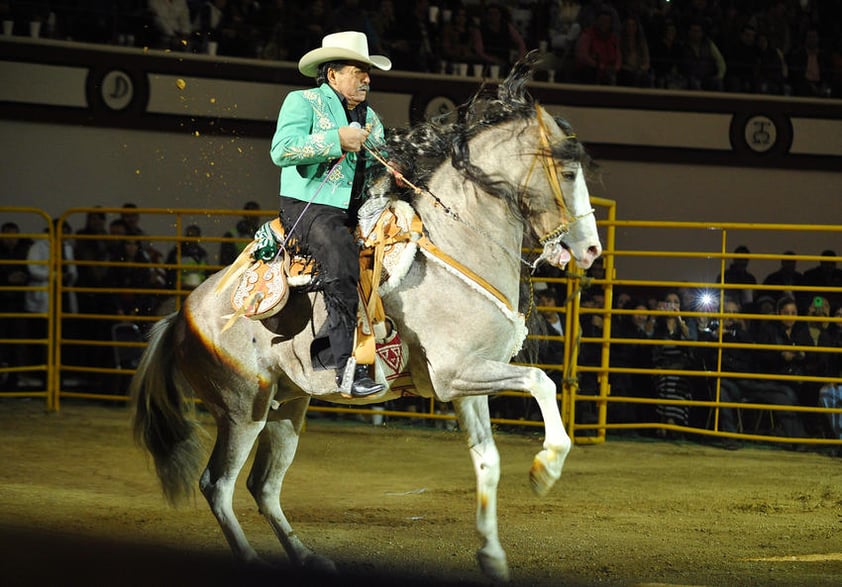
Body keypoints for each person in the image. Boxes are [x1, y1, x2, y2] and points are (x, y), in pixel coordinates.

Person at [269, 30, 391, 397]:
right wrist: (335, 140)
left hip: (359, 209)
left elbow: (375, 168)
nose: (366, 78)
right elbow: (281, 150)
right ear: (332, 74)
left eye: (367, 71)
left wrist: (390, 168)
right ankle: (344, 365)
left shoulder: (373, 118)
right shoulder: (302, 101)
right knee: (340, 255)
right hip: (310, 207)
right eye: (358, 70)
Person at [713, 298, 807, 450]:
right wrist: (715, 336)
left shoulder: (744, 334)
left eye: (735, 312)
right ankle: (729, 438)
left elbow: (754, 352)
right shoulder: (711, 333)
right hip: (729, 382)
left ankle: (799, 440)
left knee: (782, 395)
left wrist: (736, 332)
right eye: (727, 312)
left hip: (751, 382)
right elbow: (701, 355)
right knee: (721, 387)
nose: (731, 316)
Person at [0, 222, 32, 390]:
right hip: (3, 303)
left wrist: (24, 276)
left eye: (14, 235)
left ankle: (14, 381)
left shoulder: (25, 251)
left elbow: (31, 270)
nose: (11, 239)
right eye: (8, 235)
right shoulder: (23, 251)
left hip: (18, 304)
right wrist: (7, 280)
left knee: (17, 345)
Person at [471, 2, 527, 76]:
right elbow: (479, 51)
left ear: (500, 15)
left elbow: (520, 43)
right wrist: (493, 60)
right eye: (490, 14)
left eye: (496, 13)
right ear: (486, 15)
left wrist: (520, 58)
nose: (493, 16)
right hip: (486, 62)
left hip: (504, 60)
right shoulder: (480, 29)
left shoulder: (507, 27)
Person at [574, 8, 620, 85]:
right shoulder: (587, 35)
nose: (604, 23)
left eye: (607, 21)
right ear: (596, 21)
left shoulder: (613, 39)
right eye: (602, 20)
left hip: (608, 71)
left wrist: (616, 67)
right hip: (592, 69)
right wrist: (601, 66)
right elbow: (583, 57)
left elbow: (618, 56)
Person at [681, 19, 726, 91]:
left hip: (707, 77)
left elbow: (720, 61)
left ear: (702, 33)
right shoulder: (683, 45)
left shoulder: (708, 44)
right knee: (692, 81)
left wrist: (719, 76)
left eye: (698, 31)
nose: (695, 33)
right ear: (689, 32)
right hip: (689, 77)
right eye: (693, 31)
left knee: (718, 82)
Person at [165, 224, 210, 290]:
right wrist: (176, 284)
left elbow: (206, 272)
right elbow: (170, 274)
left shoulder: (202, 253)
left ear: (199, 237)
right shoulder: (177, 252)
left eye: (195, 236)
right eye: (190, 236)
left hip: (199, 289)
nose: (192, 239)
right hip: (181, 290)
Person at [716, 245, 757, 312]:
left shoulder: (750, 278)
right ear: (734, 259)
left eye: (745, 259)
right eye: (740, 259)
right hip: (727, 306)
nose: (743, 262)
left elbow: (752, 298)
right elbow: (718, 295)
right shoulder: (724, 276)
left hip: (745, 309)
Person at [219, 201, 260, 266]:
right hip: (238, 271)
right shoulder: (231, 235)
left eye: (256, 213)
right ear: (244, 214)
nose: (254, 216)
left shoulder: (260, 233)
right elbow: (226, 262)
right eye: (251, 213)